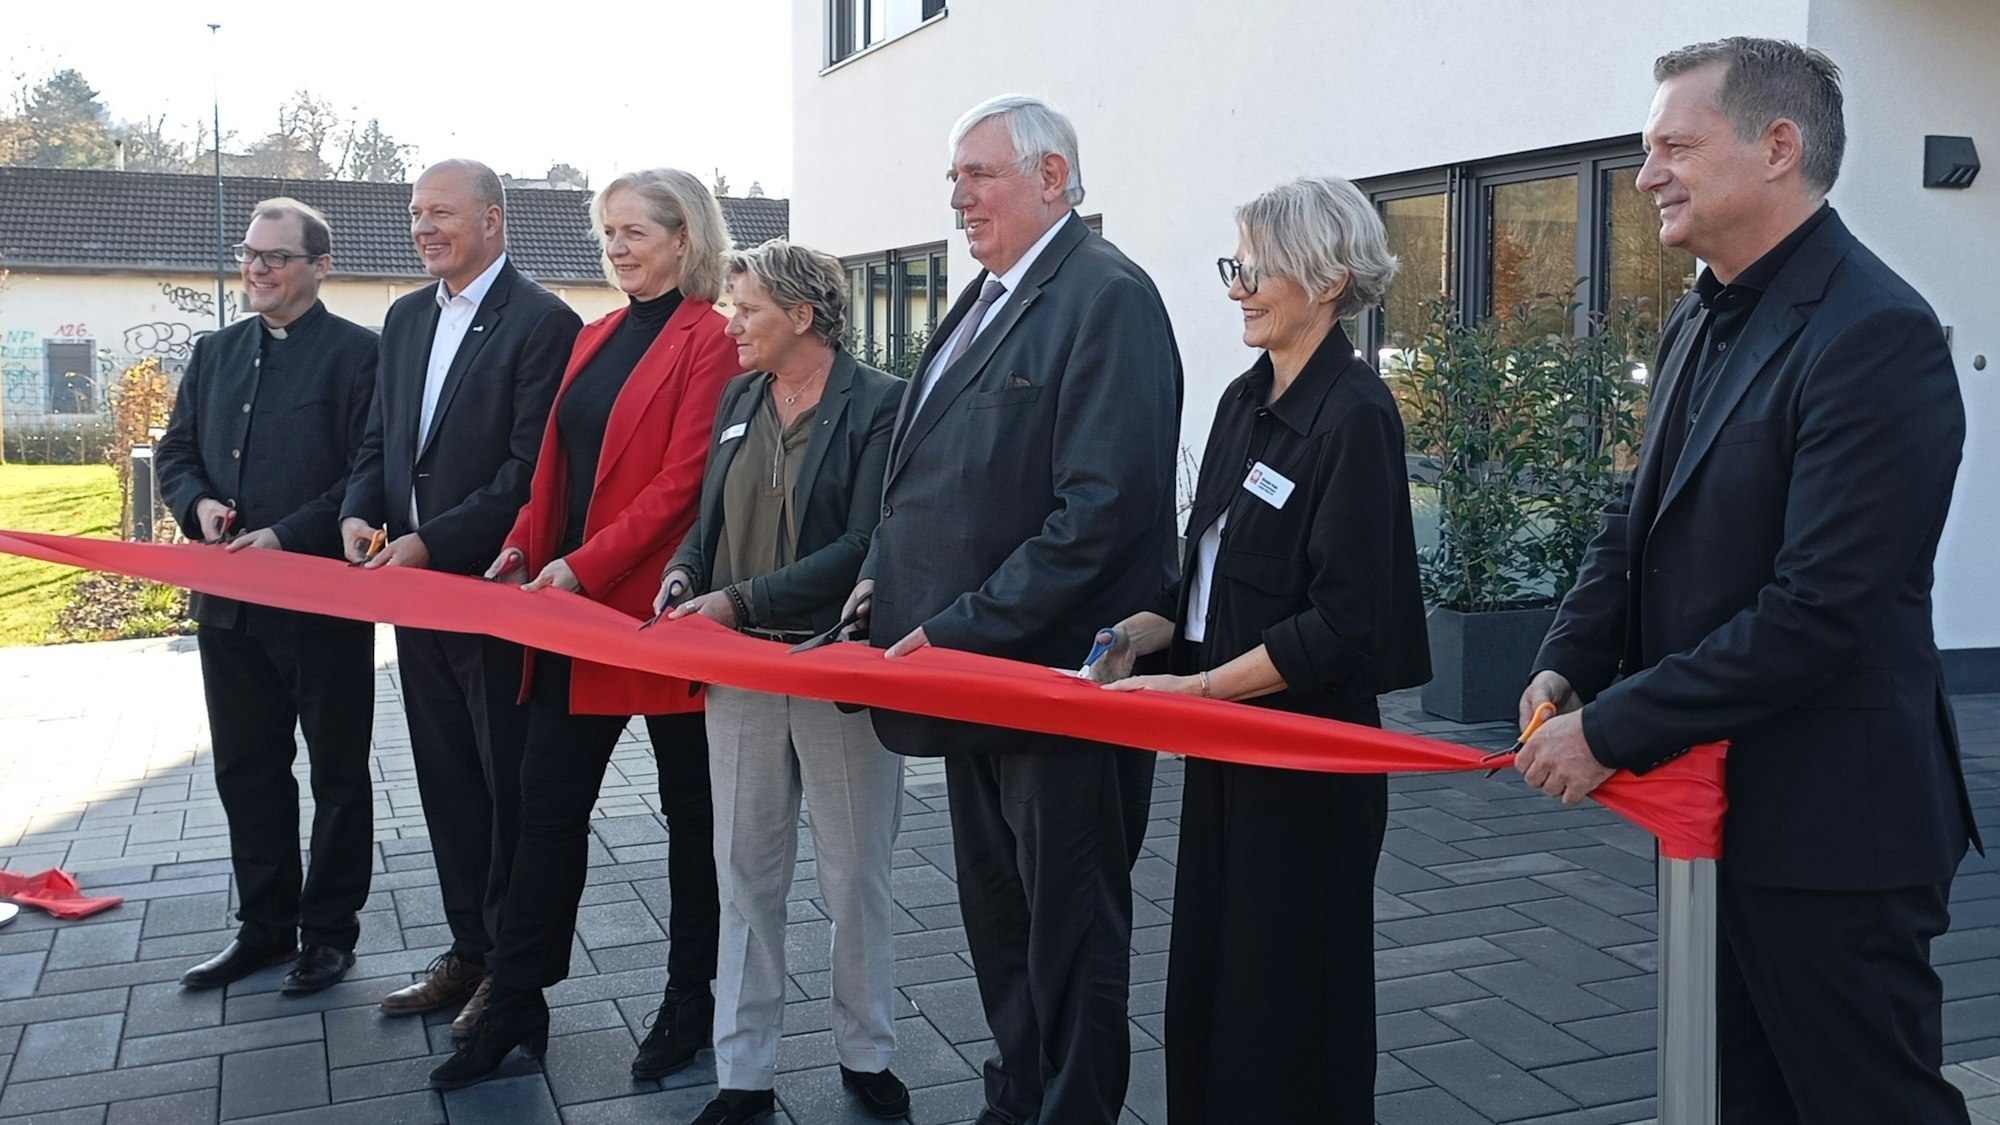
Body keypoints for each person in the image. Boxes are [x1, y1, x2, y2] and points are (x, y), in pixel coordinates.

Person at [1516, 37, 1978, 1125]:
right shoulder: (1693, 312)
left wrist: (1611, 729)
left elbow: (1819, 610)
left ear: (1777, 147)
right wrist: (1564, 663)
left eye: (1673, 145)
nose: (1643, 177)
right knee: (1747, 1099)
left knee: (1864, 1104)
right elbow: (1631, 524)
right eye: (1644, 151)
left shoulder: (1878, 332)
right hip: (1721, 808)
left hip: (1833, 826)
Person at [844, 94, 1182, 1124]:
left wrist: (954, 629)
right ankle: (1016, 1094)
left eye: (976, 174)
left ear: (1051, 177)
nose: (957, 197)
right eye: (953, 178)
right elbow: (929, 478)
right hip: (971, 682)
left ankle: (1071, 1109)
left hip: (1049, 680)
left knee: (1069, 932)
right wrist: (875, 573)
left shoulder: (1105, 296)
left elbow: (1100, 513)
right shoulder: (988, 295)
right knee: (1000, 920)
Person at [1086, 175, 1430, 1123]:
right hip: (1228, 742)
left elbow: (1343, 623)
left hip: (1306, 758)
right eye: (1235, 265)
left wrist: (1197, 689)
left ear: (1324, 278)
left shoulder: (1355, 415)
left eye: (1256, 268)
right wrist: (1147, 639)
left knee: (1288, 1001)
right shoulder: (1246, 397)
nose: (1237, 286)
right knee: (1213, 976)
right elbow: (1213, 567)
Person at [426, 168, 740, 1088]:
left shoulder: (709, 339)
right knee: (544, 812)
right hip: (571, 616)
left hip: (658, 618)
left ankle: (691, 1001)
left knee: (693, 822)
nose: (617, 247)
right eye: (608, 231)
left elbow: (683, 483)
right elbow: (549, 469)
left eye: (635, 230)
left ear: (686, 239)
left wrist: (585, 564)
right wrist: (527, 547)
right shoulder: (593, 333)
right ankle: (519, 997)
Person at [657, 241, 909, 1125]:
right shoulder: (738, 395)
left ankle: (867, 1053)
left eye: (748, 309)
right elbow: (706, 513)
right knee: (746, 872)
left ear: (802, 316)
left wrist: (739, 598)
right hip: (740, 672)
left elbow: (864, 541)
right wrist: (689, 575)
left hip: (833, 665)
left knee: (854, 876)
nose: (730, 322)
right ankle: (743, 1071)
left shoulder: (880, 402)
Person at [340, 159, 583, 1034]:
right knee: (446, 782)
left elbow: (529, 472)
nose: (422, 226)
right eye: (415, 212)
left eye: (439, 211)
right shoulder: (405, 318)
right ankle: (468, 947)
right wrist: (359, 511)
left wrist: (433, 540)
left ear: (491, 218)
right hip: (415, 602)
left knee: (506, 785)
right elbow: (381, 440)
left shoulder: (544, 323)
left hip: (491, 596)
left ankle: (514, 979)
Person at [156, 197, 381, 995]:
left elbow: (368, 471)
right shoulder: (214, 351)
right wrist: (199, 505)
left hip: (319, 602)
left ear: (319, 266)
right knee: (248, 768)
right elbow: (175, 452)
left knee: (338, 776)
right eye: (250, 252)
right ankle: (263, 927)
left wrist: (286, 534)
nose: (256, 267)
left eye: (276, 256)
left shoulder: (361, 354)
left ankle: (329, 933)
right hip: (228, 606)